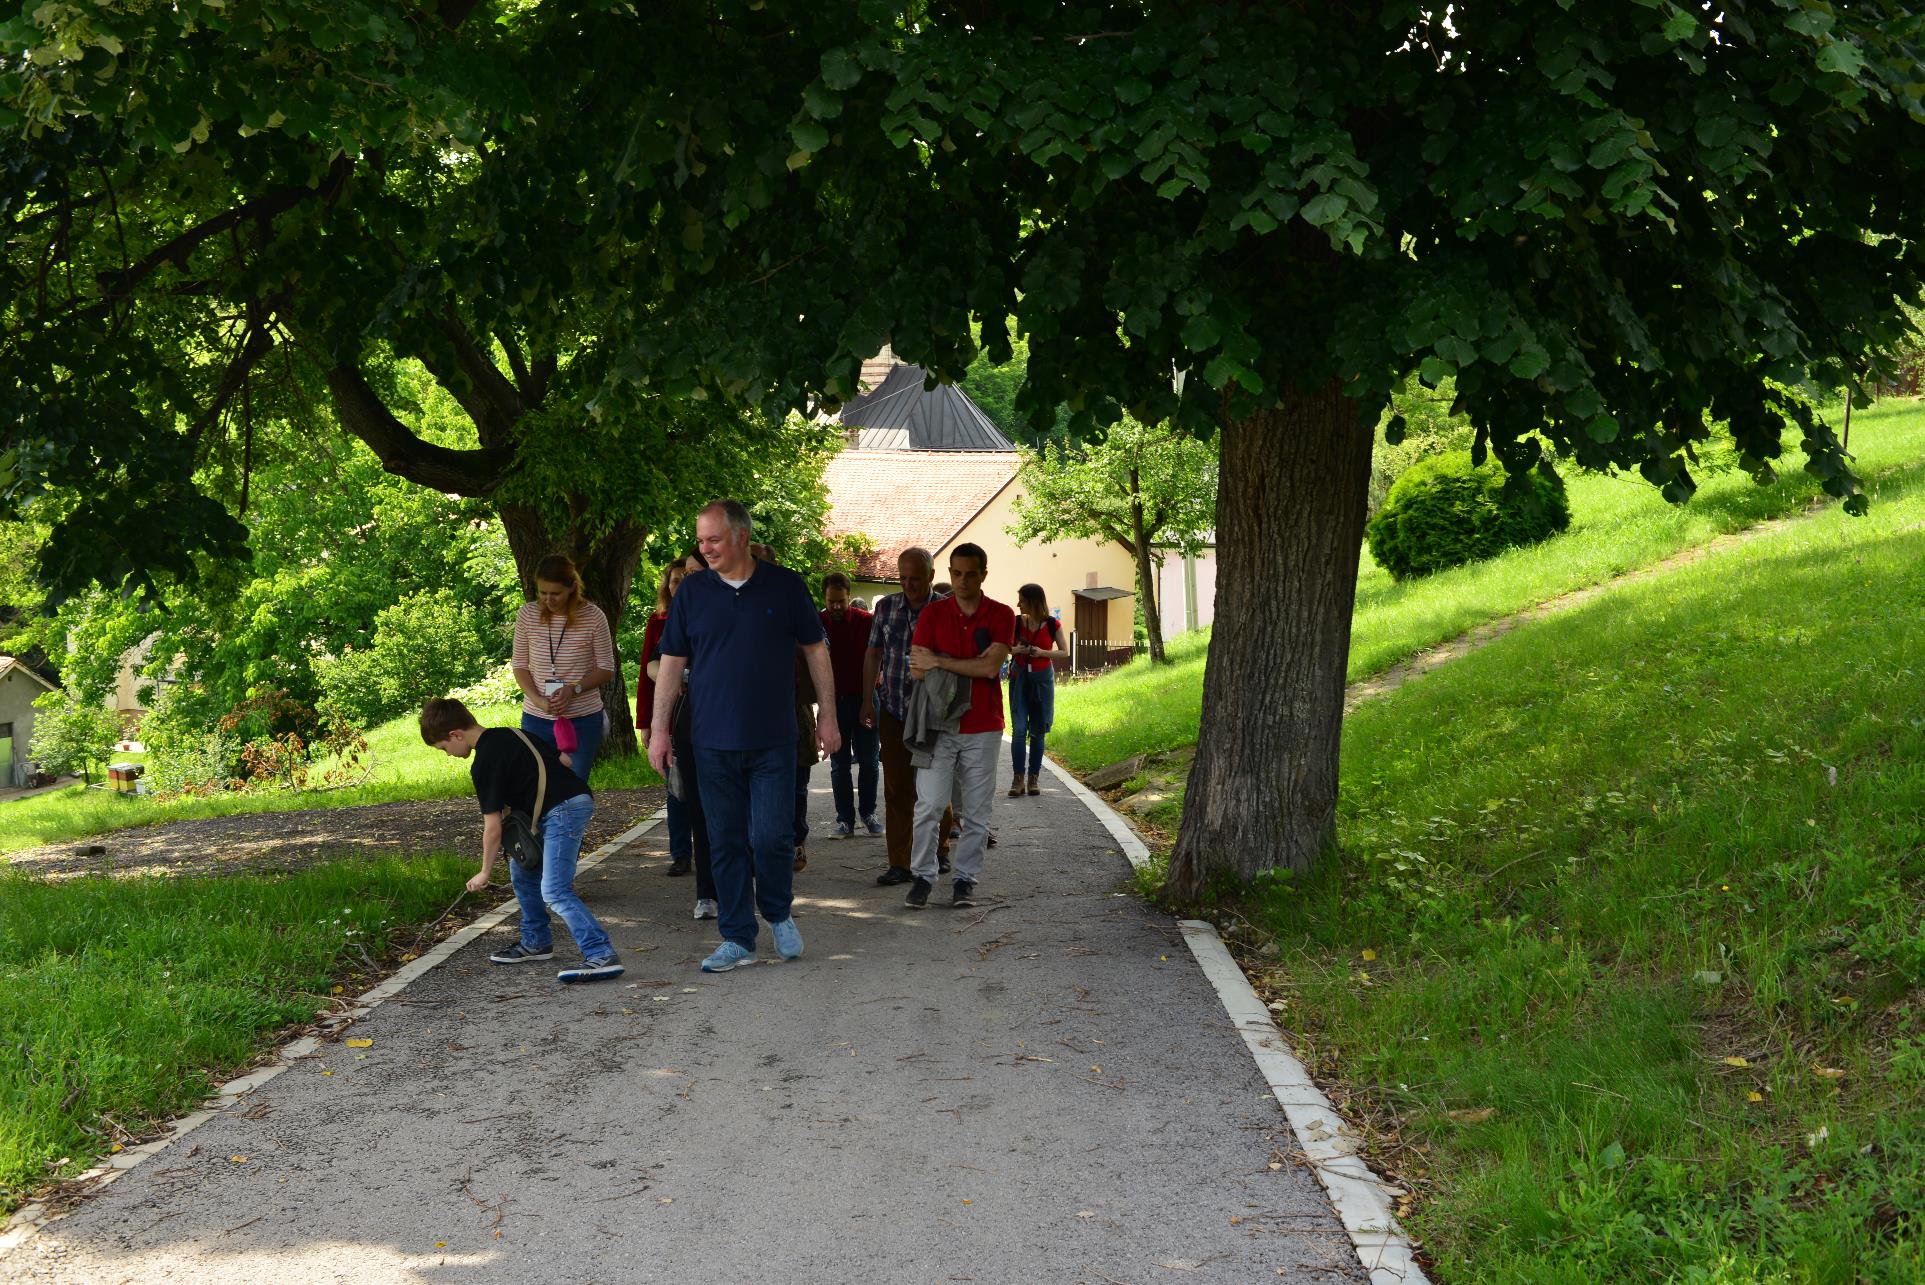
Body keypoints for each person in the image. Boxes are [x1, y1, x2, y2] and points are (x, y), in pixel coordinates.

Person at [649, 501, 839, 973]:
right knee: (724, 841)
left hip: (774, 738)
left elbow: (816, 652)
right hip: (710, 742)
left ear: (741, 537)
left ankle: (777, 911)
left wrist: (828, 717)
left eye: (713, 540)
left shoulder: (785, 585)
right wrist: (659, 730)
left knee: (772, 837)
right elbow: (670, 663)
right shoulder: (693, 593)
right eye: (701, 540)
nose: (705, 549)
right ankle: (737, 937)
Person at [420, 697, 622, 982]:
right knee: (523, 870)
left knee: (555, 890)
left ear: (455, 735)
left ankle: (600, 953)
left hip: (561, 810)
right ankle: (536, 941)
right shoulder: (513, 733)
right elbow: (564, 760)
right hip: (571, 799)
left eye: (444, 748)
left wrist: (485, 871)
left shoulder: (484, 762)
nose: (448, 755)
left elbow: (493, 827)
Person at [904, 543, 1014, 909]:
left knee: (977, 812)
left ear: (983, 575)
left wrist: (940, 660)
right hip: (938, 725)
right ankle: (922, 876)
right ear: (949, 574)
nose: (962, 581)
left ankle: (965, 879)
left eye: (970, 574)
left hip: (983, 726)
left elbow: (990, 668)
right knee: (929, 805)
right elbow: (917, 670)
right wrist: (968, 665)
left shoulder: (1002, 614)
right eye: (956, 573)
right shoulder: (933, 614)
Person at [861, 548, 951, 886]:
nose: (908, 584)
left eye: (915, 578)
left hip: (933, 714)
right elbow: (873, 654)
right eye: (903, 578)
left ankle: (938, 851)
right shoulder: (886, 607)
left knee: (933, 787)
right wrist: (867, 700)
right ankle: (899, 862)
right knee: (897, 788)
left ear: (931, 576)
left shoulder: (946, 609)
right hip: (894, 710)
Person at [512, 554, 616, 782]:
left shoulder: (593, 617)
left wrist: (573, 689)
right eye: (543, 593)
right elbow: (519, 665)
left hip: (582, 719)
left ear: (572, 587)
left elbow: (606, 669)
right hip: (537, 718)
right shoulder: (527, 614)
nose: (548, 600)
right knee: (538, 783)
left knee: (573, 785)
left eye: (555, 593)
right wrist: (538, 700)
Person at [638, 560, 691, 875]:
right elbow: (647, 674)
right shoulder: (658, 622)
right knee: (676, 789)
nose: (680, 586)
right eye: (675, 581)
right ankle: (680, 853)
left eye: (685, 579)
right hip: (670, 718)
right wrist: (645, 722)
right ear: (667, 586)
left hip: (705, 716)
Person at [820, 571, 880, 839]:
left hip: (865, 697)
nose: (835, 607)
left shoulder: (866, 621)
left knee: (869, 760)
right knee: (839, 764)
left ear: (849, 597)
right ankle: (845, 819)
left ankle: (869, 813)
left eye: (840, 601)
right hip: (834, 702)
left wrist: (868, 701)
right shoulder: (818, 622)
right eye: (831, 601)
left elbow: (875, 659)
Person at [1008, 584, 1067, 797]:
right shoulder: (1016, 622)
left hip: (1042, 681)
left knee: (1038, 730)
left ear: (1033, 602)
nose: (1018, 604)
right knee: (1019, 729)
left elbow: (1064, 652)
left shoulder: (1052, 624)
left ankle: (1033, 778)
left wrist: (1042, 652)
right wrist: (1018, 650)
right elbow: (1004, 647)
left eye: (1022, 600)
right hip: (1019, 679)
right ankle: (1018, 779)